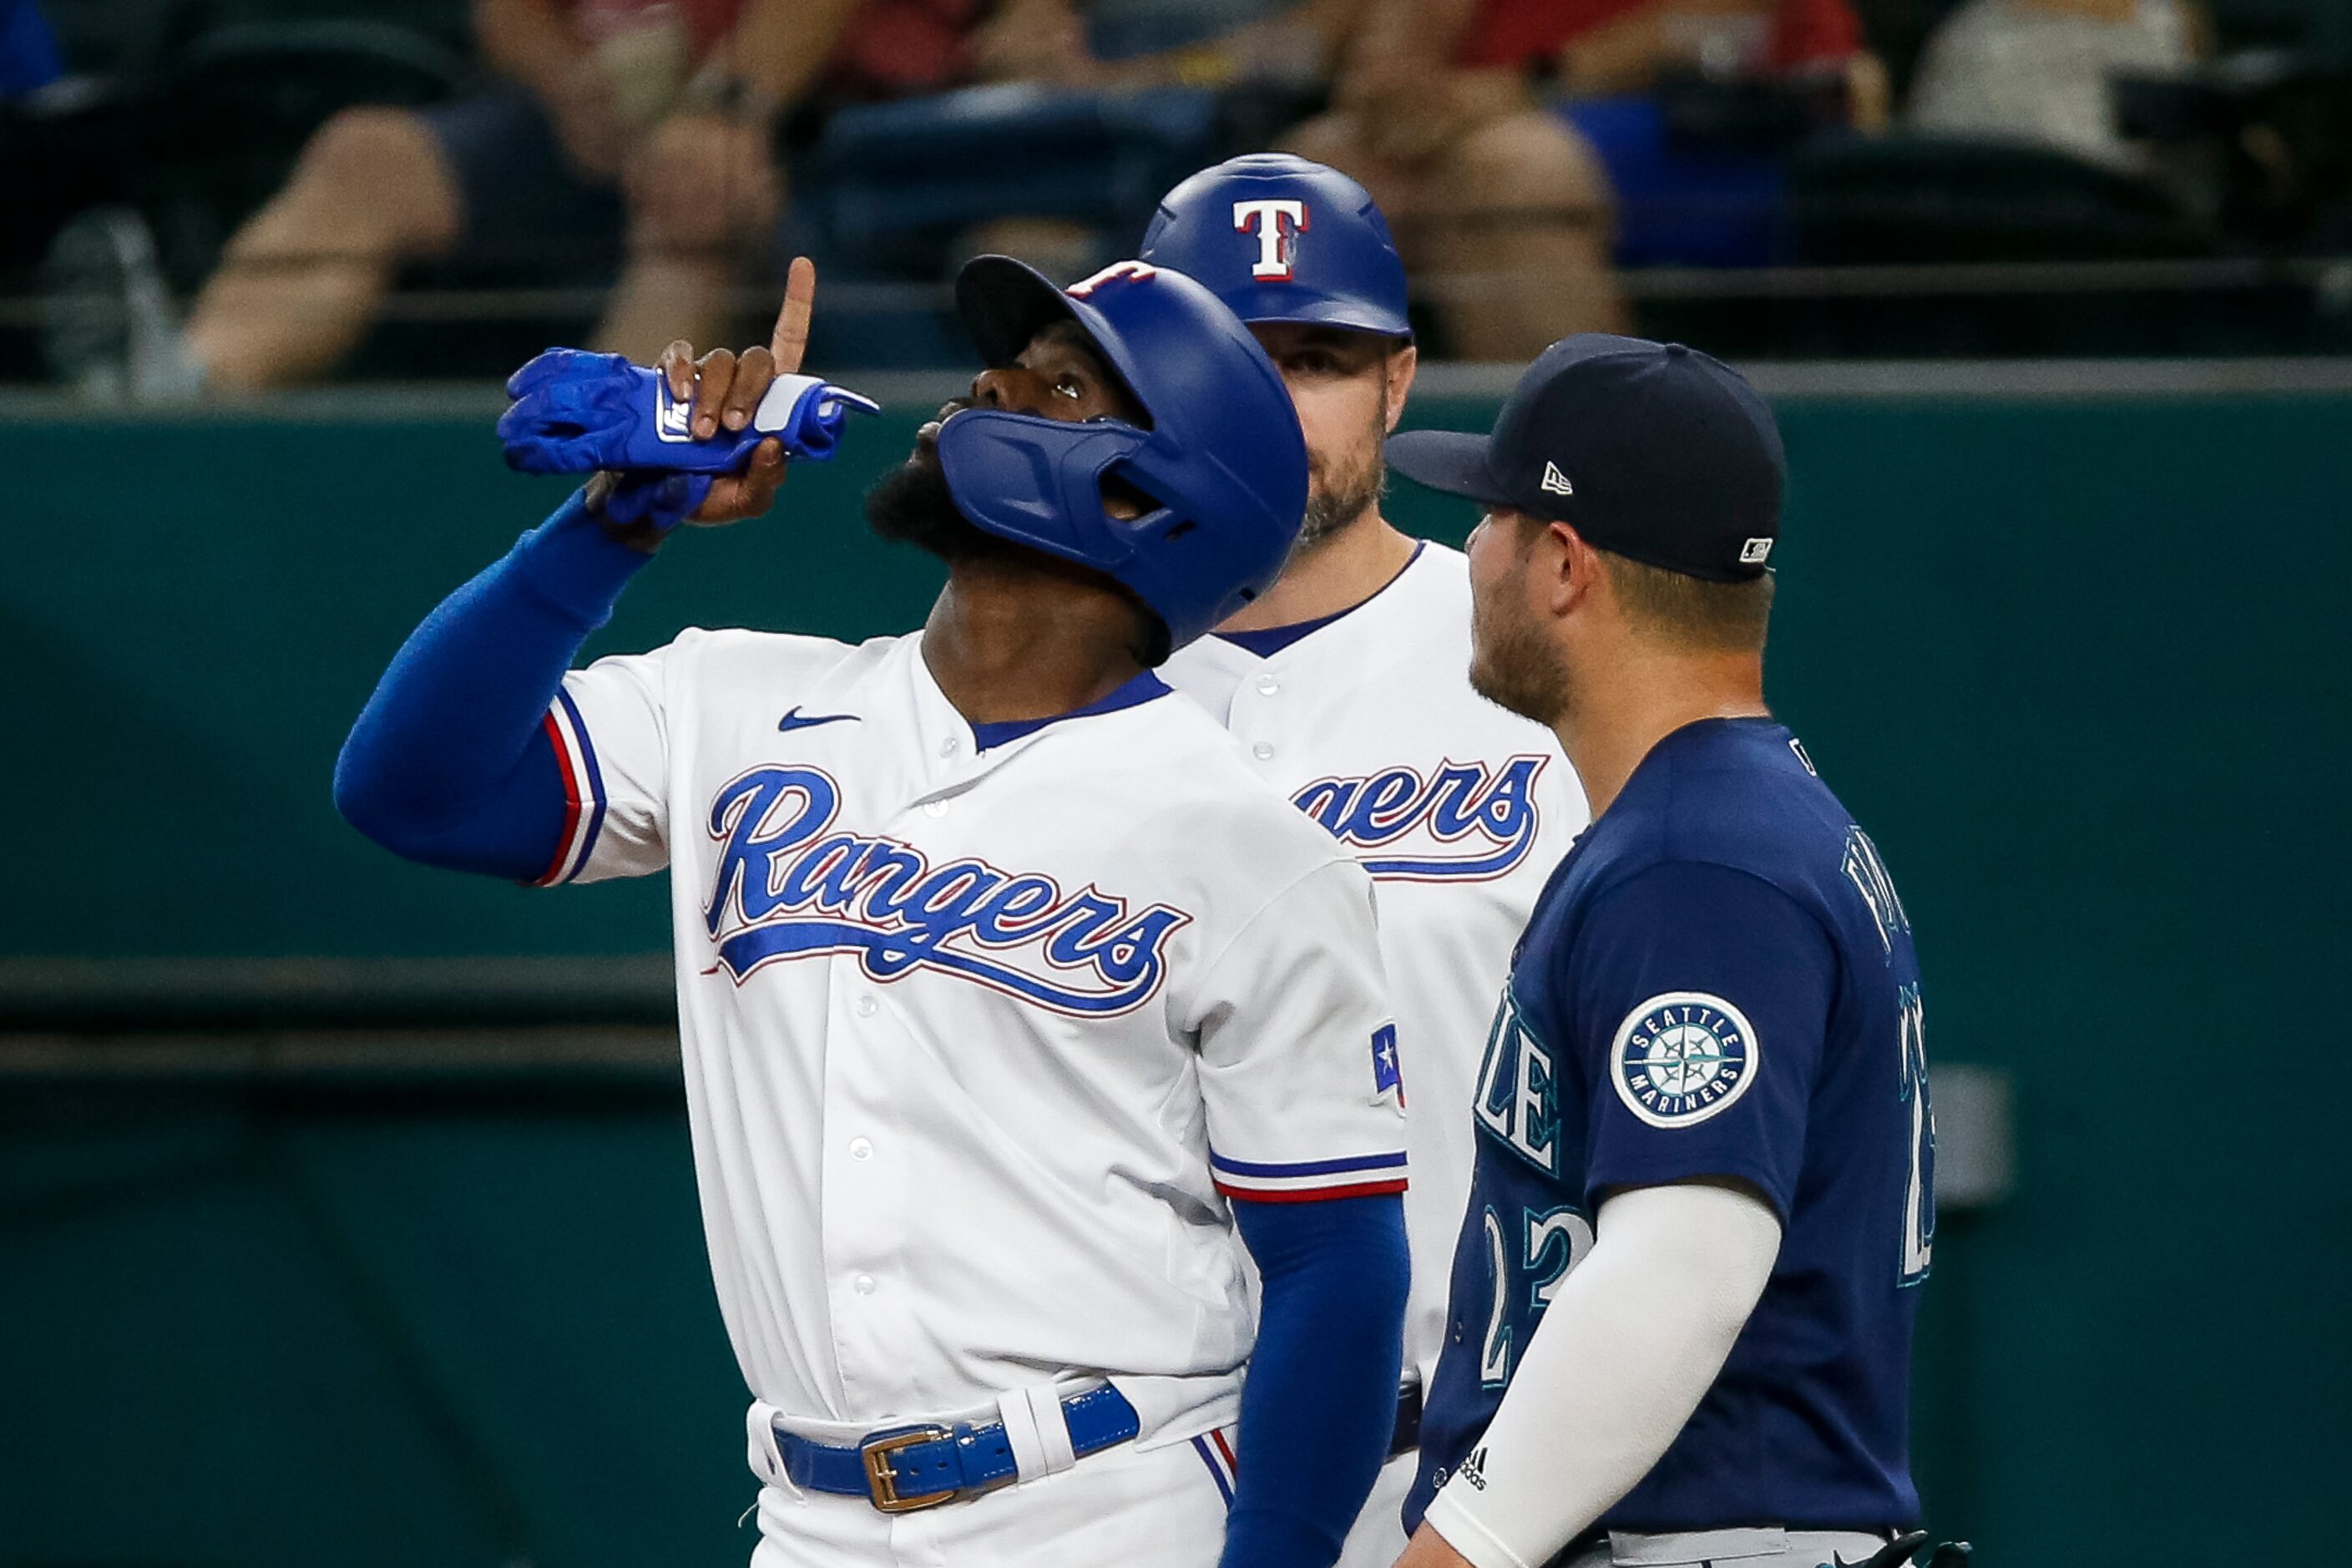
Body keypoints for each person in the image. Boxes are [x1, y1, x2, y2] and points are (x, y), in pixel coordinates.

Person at [332, 255, 1410, 1567]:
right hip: (807, 1517)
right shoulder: (733, 701)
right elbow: (412, 793)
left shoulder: (1253, 847)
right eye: (1008, 361)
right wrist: (614, 524)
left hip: (1112, 1502)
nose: (988, 384)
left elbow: (1335, 1274)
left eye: (1059, 384)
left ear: (1149, 495)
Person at [1378, 336, 1941, 1568]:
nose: (1470, 551)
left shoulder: (1699, 860)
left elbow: (1684, 1262)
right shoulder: (1739, 819)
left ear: (1565, 565)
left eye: (1493, 518)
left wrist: (1454, 1549)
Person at [1139, 154, 1588, 1568]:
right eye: (1225, 354)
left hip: (1464, 1477)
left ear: (1397, 385)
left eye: (1317, 358)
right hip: (1112, 1474)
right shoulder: (1043, 670)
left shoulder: (1537, 659)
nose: (1269, 401)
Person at [144, 0, 867, 396]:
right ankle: (186, 387)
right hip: (586, 118)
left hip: (790, 115)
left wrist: (717, 106)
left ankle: (599, 498)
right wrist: (573, 91)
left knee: (694, 199)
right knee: (368, 155)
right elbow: (508, 16)